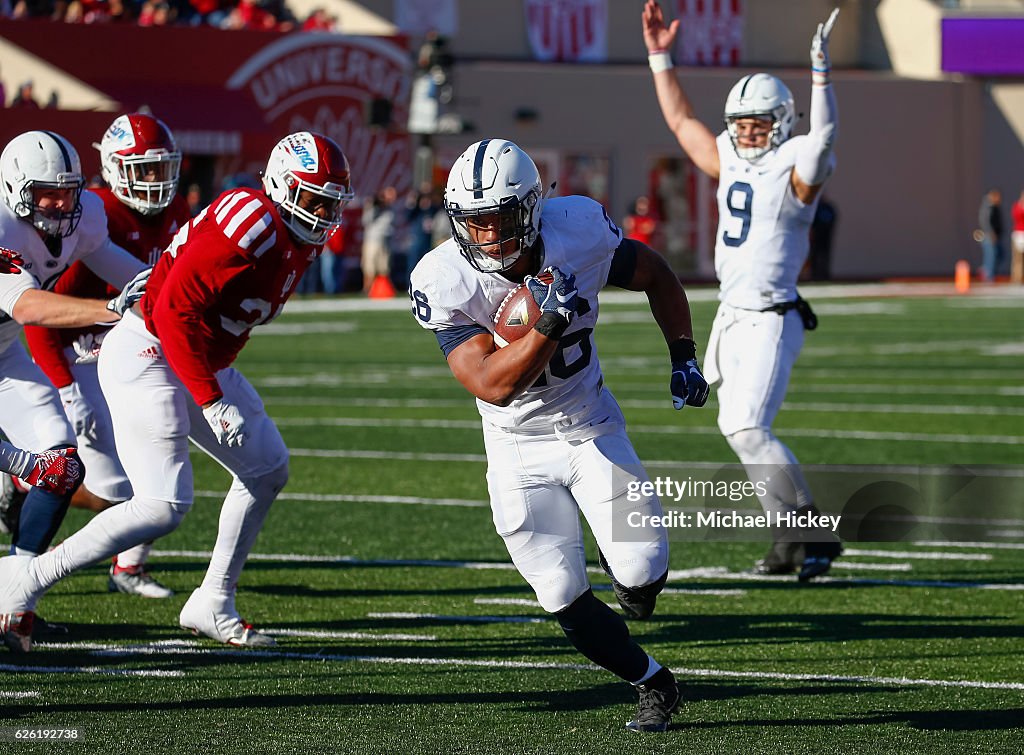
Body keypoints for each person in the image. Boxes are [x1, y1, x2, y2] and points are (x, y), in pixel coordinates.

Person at [0, 131, 355, 652]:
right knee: (162, 504)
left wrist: (212, 385)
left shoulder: (291, 235)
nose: (321, 214)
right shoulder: (251, 221)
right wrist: (210, 399)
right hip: (150, 351)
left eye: (330, 203)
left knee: (267, 468)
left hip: (186, 356)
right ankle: (23, 580)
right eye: (311, 199)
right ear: (281, 186)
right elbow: (169, 312)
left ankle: (213, 600)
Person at [409, 139, 709, 733]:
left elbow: (655, 273)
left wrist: (683, 356)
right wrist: (548, 323)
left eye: (497, 220)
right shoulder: (443, 277)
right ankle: (653, 682)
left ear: (531, 209)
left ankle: (628, 575)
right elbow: (490, 385)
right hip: (516, 445)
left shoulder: (579, 230)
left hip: (589, 425)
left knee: (643, 572)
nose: (486, 236)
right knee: (561, 592)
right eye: (472, 222)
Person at [642, 1, 842, 579]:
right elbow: (682, 123)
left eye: (759, 123)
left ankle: (812, 533)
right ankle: (789, 539)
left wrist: (821, 75)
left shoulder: (796, 165)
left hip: (771, 315)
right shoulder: (729, 153)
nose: (749, 133)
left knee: (751, 427)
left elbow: (824, 135)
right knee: (736, 428)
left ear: (782, 121)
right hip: (732, 313)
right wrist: (660, 57)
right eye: (742, 124)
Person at [22, 113, 192, 599]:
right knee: (113, 490)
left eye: (162, 169)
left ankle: (128, 567)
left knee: (162, 462)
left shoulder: (177, 210)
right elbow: (44, 312)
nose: (156, 182)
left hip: (131, 351)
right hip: (75, 356)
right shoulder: (94, 213)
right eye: (144, 170)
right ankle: (22, 484)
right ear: (116, 168)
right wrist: (67, 387)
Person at [0, 130, 150, 565]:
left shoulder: (85, 219)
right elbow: (28, 306)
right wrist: (111, 309)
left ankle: (15, 591)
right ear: (14, 188)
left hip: (4, 353)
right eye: (48, 194)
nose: (63, 205)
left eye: (68, 193)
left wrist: (175, 295)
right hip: (14, 335)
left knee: (61, 464)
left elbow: (127, 270)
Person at [978, 188, 1005, 282]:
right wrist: (991, 233)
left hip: (996, 236)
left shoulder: (995, 207)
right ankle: (988, 275)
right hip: (989, 237)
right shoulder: (987, 207)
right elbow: (984, 222)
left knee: (1000, 255)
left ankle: (986, 271)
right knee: (990, 257)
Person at [808, 196, 837, 281]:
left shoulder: (826, 208)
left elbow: (831, 219)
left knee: (823, 257)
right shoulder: (815, 208)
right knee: (814, 257)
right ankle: (815, 276)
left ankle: (823, 276)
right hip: (815, 238)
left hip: (824, 238)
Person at [1011, 190, 1024, 285]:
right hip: (1019, 235)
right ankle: (1017, 279)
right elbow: (1016, 216)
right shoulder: (1017, 206)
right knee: (1018, 259)